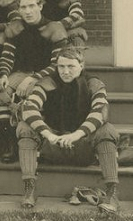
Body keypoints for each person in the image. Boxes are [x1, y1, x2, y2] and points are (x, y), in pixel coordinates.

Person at [18, 48, 120, 214]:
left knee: (107, 129)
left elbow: (100, 112)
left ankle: (111, 193)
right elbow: (29, 108)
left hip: (82, 146)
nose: (65, 71)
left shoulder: (93, 83)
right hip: (53, 145)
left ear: (81, 66)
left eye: (70, 66)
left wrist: (76, 135)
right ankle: (29, 189)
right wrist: (48, 134)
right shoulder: (48, 82)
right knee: (25, 126)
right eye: (61, 66)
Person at [0, 0, 68, 163]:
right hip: (21, 73)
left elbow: (57, 63)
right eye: (23, 7)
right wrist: (4, 74)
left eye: (31, 6)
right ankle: (10, 143)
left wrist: (34, 78)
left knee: (34, 95)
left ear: (40, 6)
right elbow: (7, 55)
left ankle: (35, 143)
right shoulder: (16, 28)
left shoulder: (54, 28)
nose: (27, 11)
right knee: (0, 93)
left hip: (47, 76)